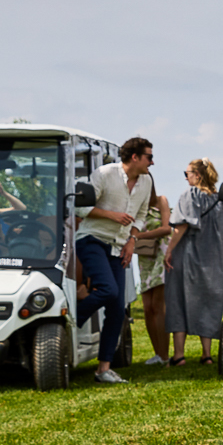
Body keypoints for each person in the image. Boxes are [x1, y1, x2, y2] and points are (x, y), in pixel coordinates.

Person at [74, 137, 155, 384]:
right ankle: (69, 323)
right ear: (135, 158)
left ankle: (103, 370)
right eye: (149, 157)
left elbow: (140, 216)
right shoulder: (104, 173)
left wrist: (132, 241)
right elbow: (80, 209)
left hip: (119, 247)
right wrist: (111, 215)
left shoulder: (146, 181)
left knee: (117, 309)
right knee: (108, 291)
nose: (152, 162)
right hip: (92, 240)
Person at [165, 158, 223, 365]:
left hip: (188, 257)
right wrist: (222, 262)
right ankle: (207, 354)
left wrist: (169, 250)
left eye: (187, 174)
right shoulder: (220, 201)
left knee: (178, 301)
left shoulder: (189, 195)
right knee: (208, 304)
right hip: (213, 261)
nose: (186, 178)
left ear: (198, 175)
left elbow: (181, 227)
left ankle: (179, 355)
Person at [131, 187, 171, 366]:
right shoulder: (135, 206)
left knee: (158, 305)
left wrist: (140, 235)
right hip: (145, 258)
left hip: (161, 255)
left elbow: (166, 228)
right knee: (147, 308)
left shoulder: (161, 200)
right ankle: (158, 353)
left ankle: (165, 355)